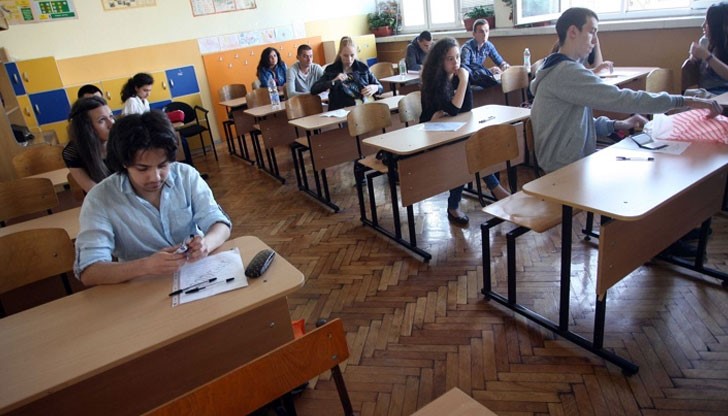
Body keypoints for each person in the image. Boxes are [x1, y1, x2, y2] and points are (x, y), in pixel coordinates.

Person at [530, 7, 722, 175]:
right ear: (573, 31)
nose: (595, 41)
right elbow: (622, 98)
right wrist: (684, 101)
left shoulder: (566, 70)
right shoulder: (566, 73)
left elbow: (576, 125)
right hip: (563, 170)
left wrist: (617, 124)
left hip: (575, 163)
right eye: (592, 32)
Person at [74, 110, 232, 286]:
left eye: (163, 165)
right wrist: (146, 266)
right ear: (124, 163)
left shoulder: (186, 176)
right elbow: (89, 271)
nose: (155, 177)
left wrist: (206, 244)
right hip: (144, 287)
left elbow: (220, 224)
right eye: (142, 169)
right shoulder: (100, 198)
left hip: (197, 274)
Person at [420, 37, 510, 225]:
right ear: (439, 61)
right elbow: (454, 109)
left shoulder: (459, 76)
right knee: (465, 154)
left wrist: (461, 83)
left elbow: (466, 107)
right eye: (450, 59)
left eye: (458, 57)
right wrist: (464, 81)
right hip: (432, 136)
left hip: (453, 131)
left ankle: (457, 204)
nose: (456, 63)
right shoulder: (434, 81)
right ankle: (492, 192)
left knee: (471, 149)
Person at [311, 36, 384, 111]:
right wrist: (333, 81)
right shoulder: (331, 70)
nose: (349, 59)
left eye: (352, 55)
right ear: (340, 54)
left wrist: (375, 88)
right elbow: (314, 89)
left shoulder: (363, 67)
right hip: (342, 110)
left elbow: (381, 87)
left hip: (365, 107)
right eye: (345, 55)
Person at [63, 96, 114, 192]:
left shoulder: (122, 140)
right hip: (102, 198)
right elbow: (95, 192)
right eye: (102, 120)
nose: (111, 124)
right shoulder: (73, 152)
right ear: (86, 128)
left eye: (111, 116)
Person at [683, 2, 728, 96]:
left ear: (717, 27)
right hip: (708, 92)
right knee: (689, 95)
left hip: (724, 93)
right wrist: (693, 57)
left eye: (707, 23)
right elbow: (692, 66)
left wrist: (707, 56)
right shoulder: (704, 42)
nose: (702, 25)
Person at [461, 19, 509, 89]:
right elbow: (465, 72)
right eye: (481, 31)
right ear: (474, 34)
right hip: (467, 81)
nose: (485, 34)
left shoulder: (488, 45)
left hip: (479, 77)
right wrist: (488, 71)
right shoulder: (466, 49)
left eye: (487, 31)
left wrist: (505, 67)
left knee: (501, 83)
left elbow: (500, 62)